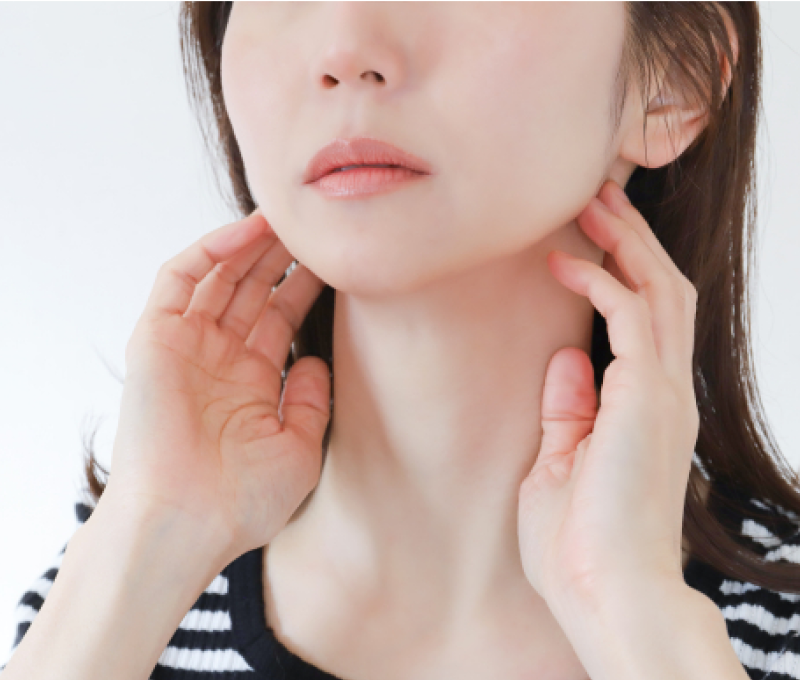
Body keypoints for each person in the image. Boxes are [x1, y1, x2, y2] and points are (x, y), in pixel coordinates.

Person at [3, 1, 800, 679]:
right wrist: (147, 546)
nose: (346, 50)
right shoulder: (101, 612)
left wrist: (636, 617)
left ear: (676, 80)